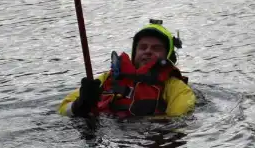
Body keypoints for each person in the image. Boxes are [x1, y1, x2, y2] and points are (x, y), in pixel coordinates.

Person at [58, 19, 196, 118]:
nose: (147, 51)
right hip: (106, 140)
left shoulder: (176, 88)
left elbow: (178, 121)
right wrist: (80, 104)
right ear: (134, 53)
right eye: (142, 47)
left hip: (147, 143)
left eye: (156, 48)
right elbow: (62, 109)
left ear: (168, 55)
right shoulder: (107, 79)